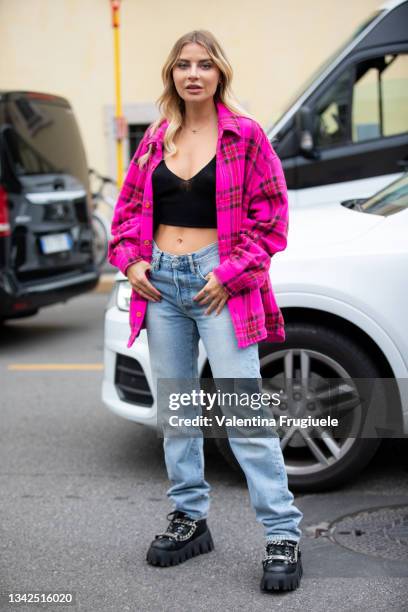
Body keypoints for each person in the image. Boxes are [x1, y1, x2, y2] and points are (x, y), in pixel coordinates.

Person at [108, 29, 303, 592]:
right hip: (160, 285)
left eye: (204, 65)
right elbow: (126, 215)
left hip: (221, 282)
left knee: (243, 415)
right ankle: (189, 518)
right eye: (183, 65)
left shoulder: (246, 137)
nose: (193, 74)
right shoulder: (154, 140)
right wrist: (132, 264)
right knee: (178, 412)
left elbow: (272, 222)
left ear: (220, 73)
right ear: (172, 74)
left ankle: (282, 533)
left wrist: (229, 272)